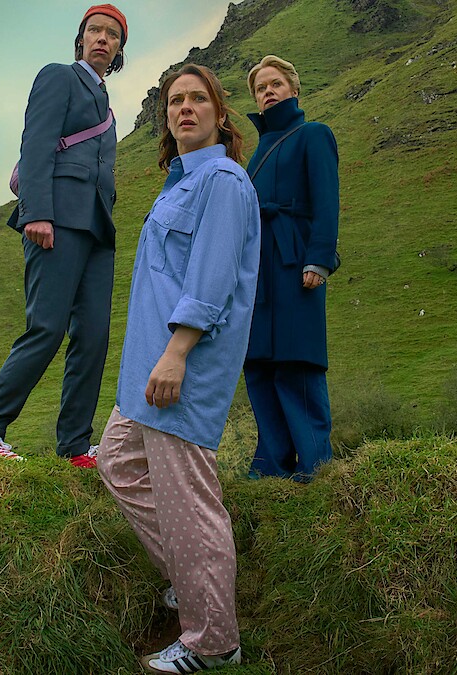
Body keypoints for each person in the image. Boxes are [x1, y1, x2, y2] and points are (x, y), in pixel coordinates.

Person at [96, 64, 258, 674]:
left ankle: (213, 643)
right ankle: (192, 584)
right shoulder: (180, 182)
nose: (184, 108)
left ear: (220, 114)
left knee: (190, 501)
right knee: (117, 460)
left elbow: (212, 281)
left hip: (180, 367)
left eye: (197, 99)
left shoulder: (223, 181)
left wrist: (177, 353)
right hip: (149, 366)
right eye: (174, 101)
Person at [0, 5, 127, 468]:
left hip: (97, 229)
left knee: (94, 335)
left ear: (119, 49)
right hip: (54, 220)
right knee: (47, 328)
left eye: (112, 35)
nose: (102, 38)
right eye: (94, 30)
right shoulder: (58, 76)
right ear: (81, 40)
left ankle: (75, 446)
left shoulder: (108, 109)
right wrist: (37, 212)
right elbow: (35, 143)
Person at [243, 55, 340, 482]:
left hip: (295, 258)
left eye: (275, 84)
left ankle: (315, 464)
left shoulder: (314, 135)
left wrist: (318, 258)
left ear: (294, 89)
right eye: (261, 87)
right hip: (257, 269)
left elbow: (326, 200)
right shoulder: (257, 152)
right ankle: (271, 463)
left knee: (297, 360)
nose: (268, 92)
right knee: (260, 361)